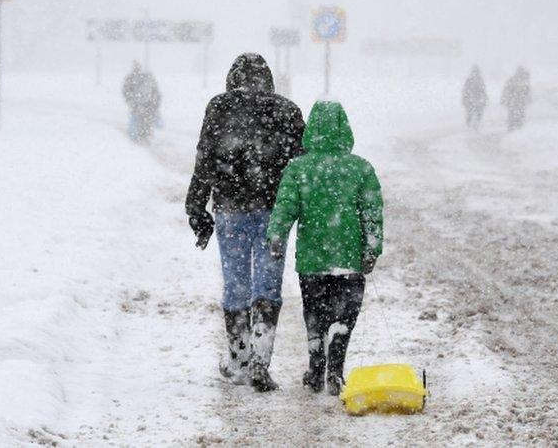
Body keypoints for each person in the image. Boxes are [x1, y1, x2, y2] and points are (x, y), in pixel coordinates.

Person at [185, 53, 305, 392]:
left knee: (236, 282)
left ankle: (237, 360)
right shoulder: (287, 110)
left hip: (230, 209)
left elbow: (205, 157)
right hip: (273, 212)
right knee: (268, 285)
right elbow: (300, 167)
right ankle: (260, 362)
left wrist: (195, 205)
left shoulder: (219, 108)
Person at [267, 100, 384, 396]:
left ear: (312, 130)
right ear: (345, 129)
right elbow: (372, 211)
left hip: (313, 259)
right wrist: (371, 247)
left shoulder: (298, 169)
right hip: (350, 258)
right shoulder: (361, 169)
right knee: (346, 315)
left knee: (315, 313)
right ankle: (335, 369)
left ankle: (316, 366)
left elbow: (285, 207)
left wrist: (277, 235)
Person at [122, 61, 163, 143]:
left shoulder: (141, 78)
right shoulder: (134, 78)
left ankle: (144, 136)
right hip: (142, 105)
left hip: (144, 105)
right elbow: (126, 91)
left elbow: (155, 93)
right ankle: (142, 136)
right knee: (142, 120)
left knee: (145, 120)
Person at [500, 66, 532, 131]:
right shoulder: (523, 81)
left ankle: (512, 128)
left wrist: (504, 99)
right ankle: (517, 129)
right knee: (519, 116)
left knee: (513, 116)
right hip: (519, 102)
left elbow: (506, 90)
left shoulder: (513, 80)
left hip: (513, 102)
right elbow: (527, 92)